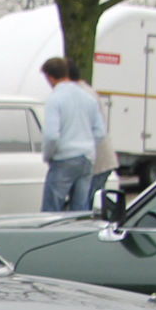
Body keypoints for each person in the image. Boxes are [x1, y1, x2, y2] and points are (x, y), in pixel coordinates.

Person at [40, 56, 107, 212]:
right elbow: (100, 131)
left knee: (51, 210)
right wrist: (90, 148)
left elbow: (51, 136)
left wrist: (48, 156)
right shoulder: (88, 98)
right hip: (86, 159)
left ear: (50, 77)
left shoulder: (54, 99)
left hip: (64, 159)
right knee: (80, 210)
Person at [70, 60, 118, 207]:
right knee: (89, 202)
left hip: (97, 162)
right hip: (101, 159)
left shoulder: (80, 94)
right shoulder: (85, 90)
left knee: (85, 205)